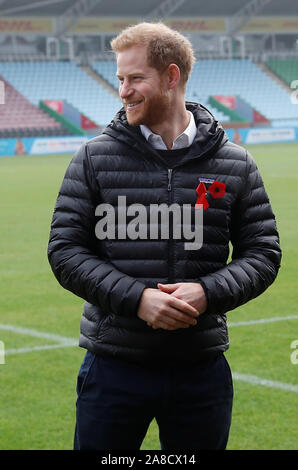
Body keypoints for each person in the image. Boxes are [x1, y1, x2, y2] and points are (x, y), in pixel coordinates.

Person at [47, 22, 281, 450]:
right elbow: (64, 251)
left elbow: (264, 253)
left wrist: (207, 293)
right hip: (114, 366)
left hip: (200, 369)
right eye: (120, 79)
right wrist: (138, 299)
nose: (123, 90)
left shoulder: (236, 164)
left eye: (135, 78)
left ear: (171, 77)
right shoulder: (94, 158)